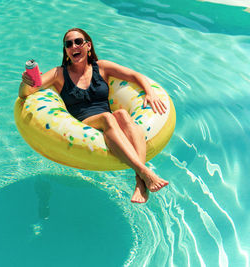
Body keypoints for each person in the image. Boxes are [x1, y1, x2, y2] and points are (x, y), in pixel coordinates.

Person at [19, 28, 168, 203]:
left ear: (88, 45)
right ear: (66, 50)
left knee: (121, 114)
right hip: (84, 125)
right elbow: (27, 92)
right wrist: (25, 82)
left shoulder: (102, 67)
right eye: (69, 44)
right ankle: (144, 173)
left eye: (78, 42)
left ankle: (140, 184)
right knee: (108, 117)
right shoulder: (59, 74)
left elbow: (134, 75)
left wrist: (150, 92)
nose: (73, 46)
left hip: (109, 120)